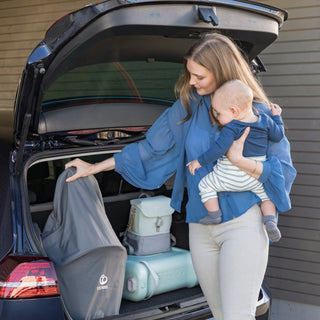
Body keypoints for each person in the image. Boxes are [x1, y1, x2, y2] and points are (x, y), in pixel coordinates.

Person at [65, 33, 296, 320]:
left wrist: (239, 161)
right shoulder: (189, 108)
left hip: (243, 224)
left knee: (237, 316)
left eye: (198, 75)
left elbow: (282, 171)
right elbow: (150, 149)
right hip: (201, 224)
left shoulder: (257, 115)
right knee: (221, 314)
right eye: (189, 74)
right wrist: (93, 167)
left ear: (221, 71)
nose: (191, 82)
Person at [186, 79, 286, 242]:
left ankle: (214, 215)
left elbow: (217, 150)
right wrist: (277, 117)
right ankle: (269, 220)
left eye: (218, 113)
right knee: (267, 197)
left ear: (234, 111)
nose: (217, 117)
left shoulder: (231, 128)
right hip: (255, 178)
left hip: (229, 176)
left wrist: (199, 162)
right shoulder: (265, 121)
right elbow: (278, 135)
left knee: (205, 185)